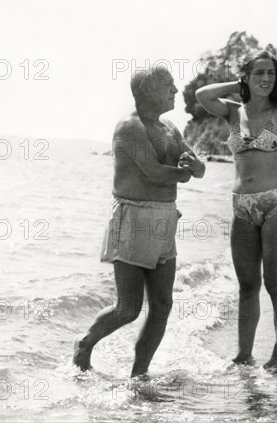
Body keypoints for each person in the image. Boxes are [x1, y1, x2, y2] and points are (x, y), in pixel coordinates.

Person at [73, 66, 205, 377]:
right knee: (128, 309)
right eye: (168, 85)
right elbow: (154, 172)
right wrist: (186, 173)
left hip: (164, 221)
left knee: (162, 306)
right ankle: (85, 343)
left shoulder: (169, 127)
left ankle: (139, 374)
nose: (175, 90)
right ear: (146, 91)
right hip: (132, 218)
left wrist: (196, 167)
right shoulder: (129, 128)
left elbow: (198, 169)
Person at [195, 51, 277, 371]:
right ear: (245, 77)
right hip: (241, 208)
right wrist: (241, 83)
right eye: (258, 73)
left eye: (269, 74)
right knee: (247, 286)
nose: (265, 78)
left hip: (276, 203)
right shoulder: (233, 113)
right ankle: (243, 353)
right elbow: (202, 95)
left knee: (275, 283)